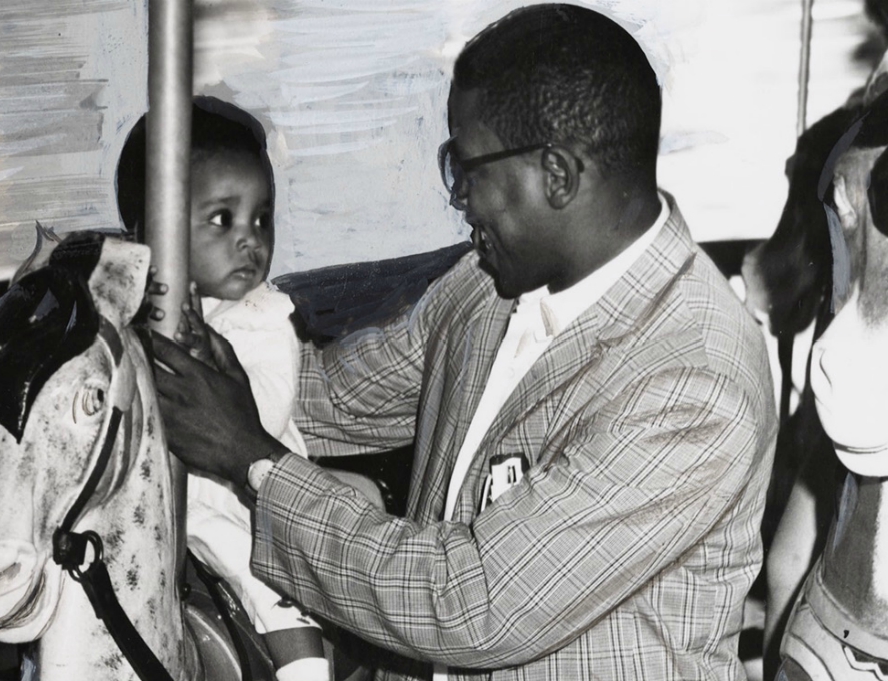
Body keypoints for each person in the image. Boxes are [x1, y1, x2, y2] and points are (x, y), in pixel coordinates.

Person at [152, 5, 778, 680]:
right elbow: (317, 396)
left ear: (558, 176)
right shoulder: (486, 287)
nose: (460, 200)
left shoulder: (692, 380)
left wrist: (254, 460)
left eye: (466, 166)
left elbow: (468, 605)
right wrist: (171, 329)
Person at [117, 96, 330, 681]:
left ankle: (305, 668)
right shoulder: (149, 318)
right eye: (222, 219)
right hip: (175, 503)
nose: (250, 240)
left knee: (268, 581)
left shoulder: (262, 316)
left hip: (244, 500)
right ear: (154, 234)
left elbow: (258, 411)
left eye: (262, 218)